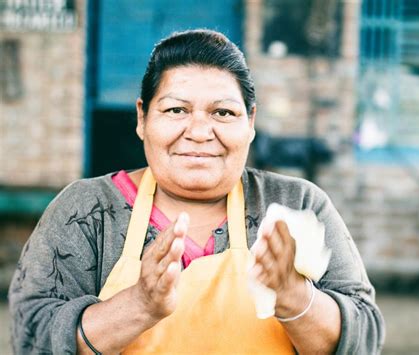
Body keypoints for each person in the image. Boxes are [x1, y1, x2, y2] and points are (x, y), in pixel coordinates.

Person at [9, 29, 385, 354]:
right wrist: (139, 305)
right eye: (176, 110)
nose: (200, 132)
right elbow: (31, 338)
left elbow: (365, 340)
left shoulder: (298, 206)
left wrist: (293, 295)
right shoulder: (85, 211)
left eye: (223, 113)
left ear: (250, 121)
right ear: (142, 118)